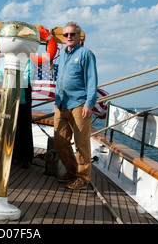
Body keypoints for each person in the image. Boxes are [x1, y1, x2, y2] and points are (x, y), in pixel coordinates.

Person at [54, 21, 98, 190]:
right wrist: (57, 99)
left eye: (72, 34)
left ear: (79, 36)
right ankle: (72, 171)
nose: (69, 37)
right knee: (60, 141)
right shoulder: (62, 55)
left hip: (80, 104)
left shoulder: (86, 54)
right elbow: (59, 79)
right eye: (66, 34)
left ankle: (83, 178)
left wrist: (89, 103)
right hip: (61, 104)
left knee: (81, 144)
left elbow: (92, 80)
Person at [0, 58, 35, 168]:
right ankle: (12, 155)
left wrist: (9, 78)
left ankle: (26, 158)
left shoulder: (28, 61)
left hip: (23, 98)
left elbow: (25, 80)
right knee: (9, 127)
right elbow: (0, 75)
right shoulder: (6, 59)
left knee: (24, 127)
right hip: (9, 97)